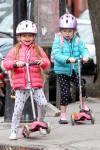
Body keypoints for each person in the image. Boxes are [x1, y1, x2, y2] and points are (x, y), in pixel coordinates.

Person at [3, 20, 51, 140]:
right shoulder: (16, 50)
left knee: (43, 104)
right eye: (24, 35)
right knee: (18, 109)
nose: (27, 38)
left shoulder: (38, 50)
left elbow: (47, 63)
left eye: (30, 35)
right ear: (19, 37)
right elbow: (6, 63)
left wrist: (42, 62)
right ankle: (14, 131)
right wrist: (15, 63)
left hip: (35, 84)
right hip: (22, 86)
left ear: (34, 37)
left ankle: (39, 123)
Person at [52, 13, 91, 124]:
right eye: (64, 31)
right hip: (62, 71)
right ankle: (63, 116)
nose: (67, 33)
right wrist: (68, 59)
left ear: (74, 31)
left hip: (74, 69)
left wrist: (86, 56)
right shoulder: (58, 41)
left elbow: (84, 49)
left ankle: (83, 106)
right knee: (65, 93)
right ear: (60, 31)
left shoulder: (78, 40)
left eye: (70, 31)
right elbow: (56, 54)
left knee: (81, 86)